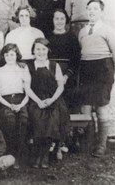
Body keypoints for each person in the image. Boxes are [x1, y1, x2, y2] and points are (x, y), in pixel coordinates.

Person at [78, 0, 115, 157]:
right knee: (86, 107)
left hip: (103, 69)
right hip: (87, 69)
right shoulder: (82, 31)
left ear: (101, 11)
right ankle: (88, 144)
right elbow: (83, 51)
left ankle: (101, 145)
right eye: (89, 9)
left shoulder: (108, 30)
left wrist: (112, 74)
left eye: (95, 9)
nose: (92, 11)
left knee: (101, 107)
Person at [25, 38, 68, 169]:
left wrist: (51, 100)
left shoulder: (54, 65)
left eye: (43, 49)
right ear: (33, 51)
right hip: (36, 99)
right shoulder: (29, 66)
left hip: (53, 99)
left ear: (48, 51)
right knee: (37, 117)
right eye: (37, 49)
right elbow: (27, 88)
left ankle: (45, 155)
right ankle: (38, 154)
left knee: (52, 118)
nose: (41, 52)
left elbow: (60, 86)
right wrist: (38, 101)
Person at [0, 43, 30, 169]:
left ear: (16, 55)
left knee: (23, 119)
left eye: (12, 54)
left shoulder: (23, 69)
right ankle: (10, 153)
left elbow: (27, 92)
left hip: (21, 100)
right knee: (10, 120)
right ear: (3, 56)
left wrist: (20, 105)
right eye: (7, 54)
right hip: (5, 101)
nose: (10, 57)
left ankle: (18, 156)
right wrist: (10, 105)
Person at [49, 9, 81, 108]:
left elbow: (76, 60)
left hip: (67, 75)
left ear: (66, 20)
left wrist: (66, 76)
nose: (59, 21)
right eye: (57, 18)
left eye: (62, 19)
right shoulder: (47, 36)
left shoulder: (72, 38)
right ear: (53, 20)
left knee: (67, 103)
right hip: (51, 74)